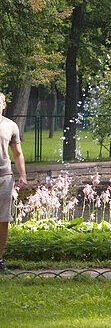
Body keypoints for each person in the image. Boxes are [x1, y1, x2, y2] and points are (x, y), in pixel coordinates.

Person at [0, 92, 28, 274]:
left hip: (4, 178)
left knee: (3, 220)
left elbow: (18, 154)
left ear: (3, 104)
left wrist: (23, 175)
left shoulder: (11, 126)